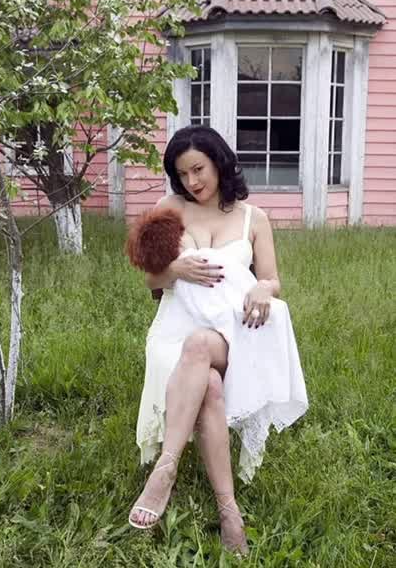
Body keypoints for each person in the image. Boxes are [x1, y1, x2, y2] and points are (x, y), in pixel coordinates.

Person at [128, 125, 309, 555]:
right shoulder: (169, 208)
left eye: (198, 169)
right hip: (176, 326)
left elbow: (272, 278)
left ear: (219, 162)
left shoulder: (253, 218)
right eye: (182, 174)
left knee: (198, 347)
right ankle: (229, 511)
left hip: (233, 334)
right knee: (207, 381)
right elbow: (151, 280)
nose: (192, 181)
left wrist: (263, 288)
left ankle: (166, 469)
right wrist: (176, 270)